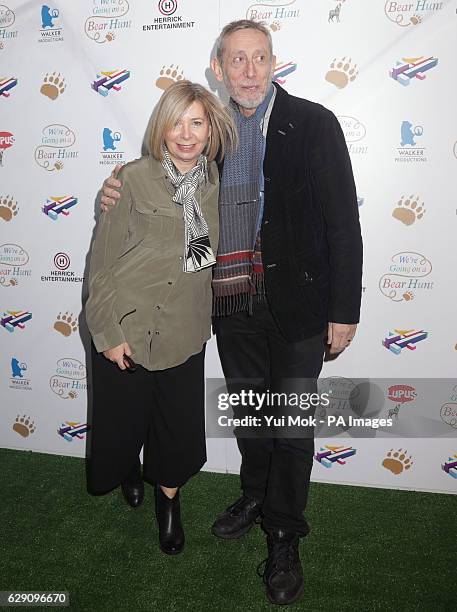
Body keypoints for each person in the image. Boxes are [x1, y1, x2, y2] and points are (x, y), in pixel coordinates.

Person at [100, 20, 363, 605]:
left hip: (299, 304)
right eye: (236, 61)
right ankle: (255, 495)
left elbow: (344, 220)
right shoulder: (210, 132)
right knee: (252, 416)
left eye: (259, 59)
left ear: (275, 64)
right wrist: (112, 189)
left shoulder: (314, 123)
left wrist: (344, 310)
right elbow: (163, 177)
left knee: (291, 425)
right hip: (230, 300)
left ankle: (284, 533)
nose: (248, 71)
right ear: (218, 67)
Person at [85, 80, 237, 556]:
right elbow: (101, 264)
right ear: (161, 126)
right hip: (127, 325)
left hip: (184, 330)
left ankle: (168, 503)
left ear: (211, 128)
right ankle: (128, 464)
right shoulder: (131, 179)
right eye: (177, 122)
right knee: (123, 423)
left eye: (197, 122)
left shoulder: (222, 183)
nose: (186, 134)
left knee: (175, 428)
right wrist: (108, 333)